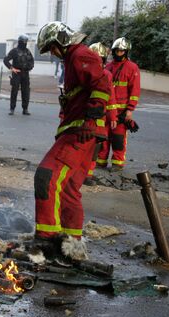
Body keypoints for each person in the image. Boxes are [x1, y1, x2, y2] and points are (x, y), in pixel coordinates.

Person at [33, 21, 110, 244]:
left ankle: (47, 240)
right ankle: (72, 244)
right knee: (68, 189)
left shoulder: (80, 55)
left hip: (81, 132)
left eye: (52, 47)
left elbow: (102, 86)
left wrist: (90, 119)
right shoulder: (73, 59)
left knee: (46, 176)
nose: (53, 53)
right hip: (85, 132)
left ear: (62, 40)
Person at [97, 37, 140, 172]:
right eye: (117, 50)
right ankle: (101, 161)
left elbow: (135, 90)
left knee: (118, 138)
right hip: (107, 109)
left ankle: (117, 163)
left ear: (126, 52)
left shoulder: (132, 68)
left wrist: (130, 109)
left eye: (121, 51)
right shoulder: (108, 67)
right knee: (103, 136)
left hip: (121, 111)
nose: (119, 53)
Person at [85, 42, 117, 186]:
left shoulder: (107, 75)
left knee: (94, 149)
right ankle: (78, 174)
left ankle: (88, 175)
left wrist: (113, 116)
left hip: (99, 120)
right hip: (82, 117)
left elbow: (111, 97)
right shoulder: (82, 72)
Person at [3, 34, 35, 115]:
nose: (25, 43)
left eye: (26, 42)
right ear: (20, 42)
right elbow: (5, 60)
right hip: (16, 74)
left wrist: (29, 67)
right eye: (24, 42)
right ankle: (12, 109)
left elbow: (32, 61)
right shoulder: (14, 51)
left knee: (26, 92)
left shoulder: (28, 51)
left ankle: (25, 109)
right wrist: (12, 68)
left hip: (25, 74)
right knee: (14, 91)